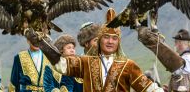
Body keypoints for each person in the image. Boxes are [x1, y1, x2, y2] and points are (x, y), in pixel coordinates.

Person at [26, 8, 163, 91]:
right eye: (106, 37)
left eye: (114, 38)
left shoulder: (129, 66)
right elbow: (61, 65)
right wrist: (42, 42)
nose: (110, 41)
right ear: (100, 40)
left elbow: (149, 88)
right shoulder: (85, 62)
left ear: (119, 42)